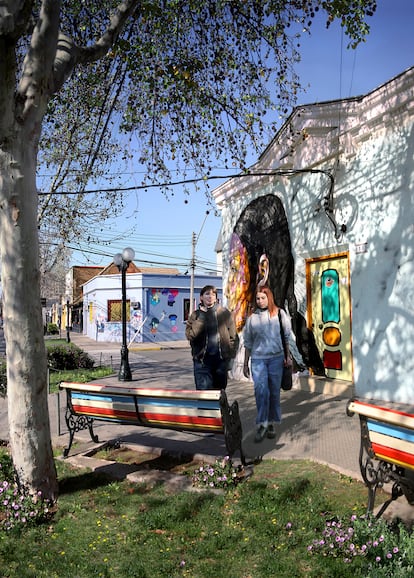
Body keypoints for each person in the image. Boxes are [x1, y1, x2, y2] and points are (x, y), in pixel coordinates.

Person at [243, 285, 292, 442]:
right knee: (261, 391)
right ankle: (262, 424)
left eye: (263, 298)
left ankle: (272, 423)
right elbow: (248, 342)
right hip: (258, 360)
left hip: (276, 359)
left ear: (269, 298)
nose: (260, 301)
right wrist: (245, 363)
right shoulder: (252, 318)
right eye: (258, 298)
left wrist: (288, 356)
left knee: (274, 393)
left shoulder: (279, 314)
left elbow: (286, 337)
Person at [186, 285, 239, 390]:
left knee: (219, 395)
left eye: (213, 294)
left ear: (216, 298)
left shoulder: (224, 313)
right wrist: (201, 317)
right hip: (202, 362)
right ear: (201, 297)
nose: (210, 297)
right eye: (207, 294)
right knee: (204, 396)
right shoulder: (195, 315)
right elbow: (190, 335)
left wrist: (230, 357)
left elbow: (234, 337)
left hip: (220, 362)